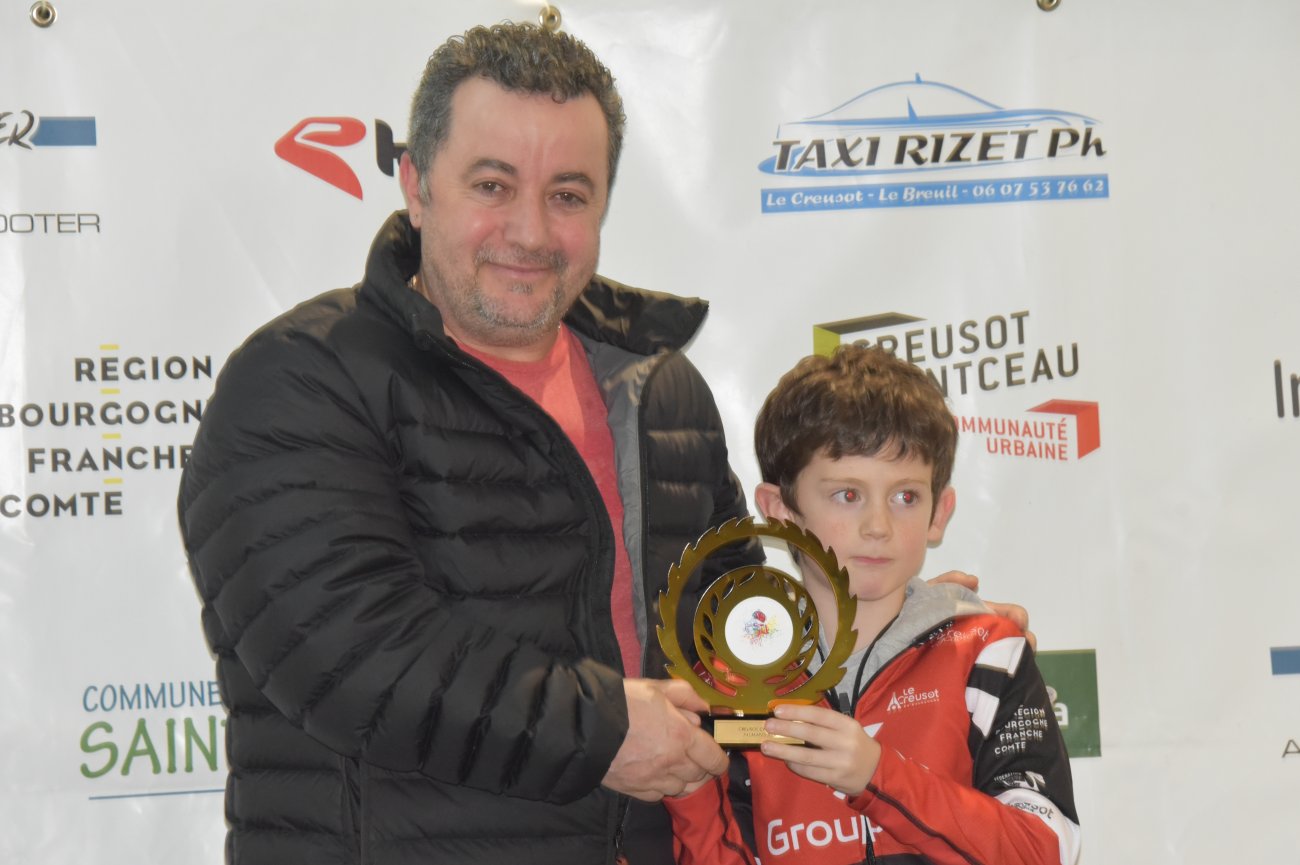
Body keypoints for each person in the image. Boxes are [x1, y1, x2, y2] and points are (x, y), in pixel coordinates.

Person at [178, 21, 1031, 865]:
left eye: (568, 195)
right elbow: (345, 653)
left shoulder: (659, 393)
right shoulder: (304, 379)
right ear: (416, 184)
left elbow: (732, 637)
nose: (529, 231)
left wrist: (886, 629)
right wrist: (605, 730)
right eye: (492, 184)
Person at [664, 344, 1081, 865]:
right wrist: (686, 791)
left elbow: (1045, 849)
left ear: (939, 513)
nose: (879, 526)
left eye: (906, 497)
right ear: (780, 512)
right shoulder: (730, 687)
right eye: (848, 495)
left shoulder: (987, 654)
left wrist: (876, 776)